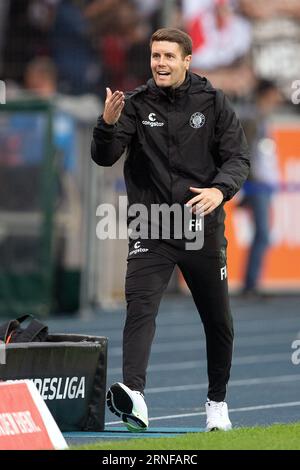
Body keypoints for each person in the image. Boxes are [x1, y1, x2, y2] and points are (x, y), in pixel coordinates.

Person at [91, 28, 249, 432]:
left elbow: (238, 159)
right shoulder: (135, 103)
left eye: (168, 56)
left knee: (218, 321)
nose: (159, 63)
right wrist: (107, 124)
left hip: (202, 228)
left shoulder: (213, 102)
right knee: (140, 308)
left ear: (187, 60)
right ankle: (135, 395)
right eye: (155, 55)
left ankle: (217, 404)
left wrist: (219, 190)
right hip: (153, 227)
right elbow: (105, 157)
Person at [239, 79, 282, 297]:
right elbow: (245, 152)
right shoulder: (252, 117)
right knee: (262, 234)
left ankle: (252, 281)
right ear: (266, 93)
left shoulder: (262, 117)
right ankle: (250, 283)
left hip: (263, 183)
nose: (278, 98)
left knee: (262, 234)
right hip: (257, 184)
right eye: (275, 93)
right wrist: (249, 181)